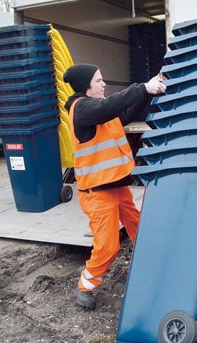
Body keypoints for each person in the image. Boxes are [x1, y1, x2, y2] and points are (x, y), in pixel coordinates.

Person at [63, 63, 166, 310]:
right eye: (99, 80)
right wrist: (142, 87)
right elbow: (112, 105)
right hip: (97, 194)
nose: (104, 84)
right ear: (85, 86)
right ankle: (85, 286)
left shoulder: (101, 113)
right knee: (108, 246)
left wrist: (148, 93)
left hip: (117, 187)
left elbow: (125, 112)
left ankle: (153, 272)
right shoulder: (83, 110)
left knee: (140, 229)